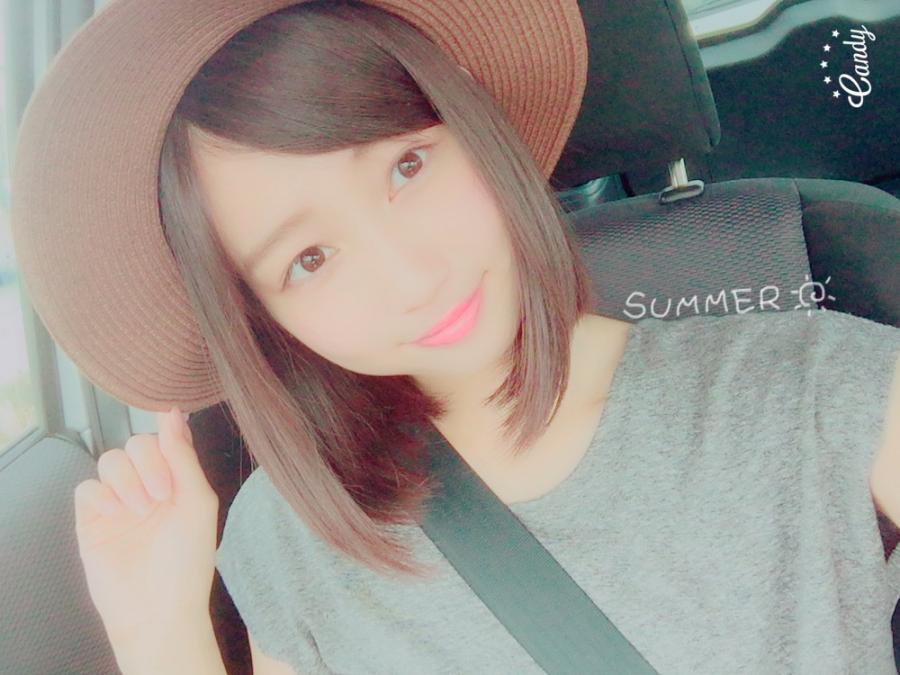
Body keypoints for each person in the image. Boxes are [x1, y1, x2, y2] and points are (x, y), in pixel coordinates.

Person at [8, 1, 900, 673]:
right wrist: (158, 634)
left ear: (475, 126)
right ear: (262, 317)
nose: (411, 276)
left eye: (407, 165)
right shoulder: (289, 538)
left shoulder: (808, 385)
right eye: (309, 259)